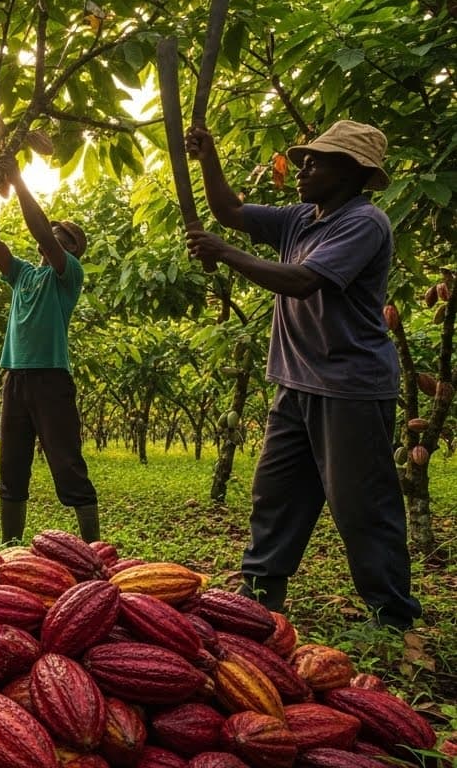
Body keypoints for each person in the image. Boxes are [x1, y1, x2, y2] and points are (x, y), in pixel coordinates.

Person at [185, 120, 421, 630]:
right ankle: (260, 591)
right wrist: (209, 158)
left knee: (362, 506)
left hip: (349, 387)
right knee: (276, 492)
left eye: (317, 161)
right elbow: (229, 211)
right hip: (295, 382)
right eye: (305, 158)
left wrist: (223, 253)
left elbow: (303, 281)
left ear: (353, 172)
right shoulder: (299, 218)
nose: (302, 167)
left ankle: (392, 615)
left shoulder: (364, 222)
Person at [0, 156, 100, 545]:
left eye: (64, 239)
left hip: (51, 379)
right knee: (11, 467)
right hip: (15, 377)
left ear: (74, 250)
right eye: (55, 235)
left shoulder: (68, 276)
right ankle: (10, 548)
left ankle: (93, 549)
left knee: (67, 465)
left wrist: (18, 181)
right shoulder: (24, 274)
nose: (54, 241)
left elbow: (40, 231)